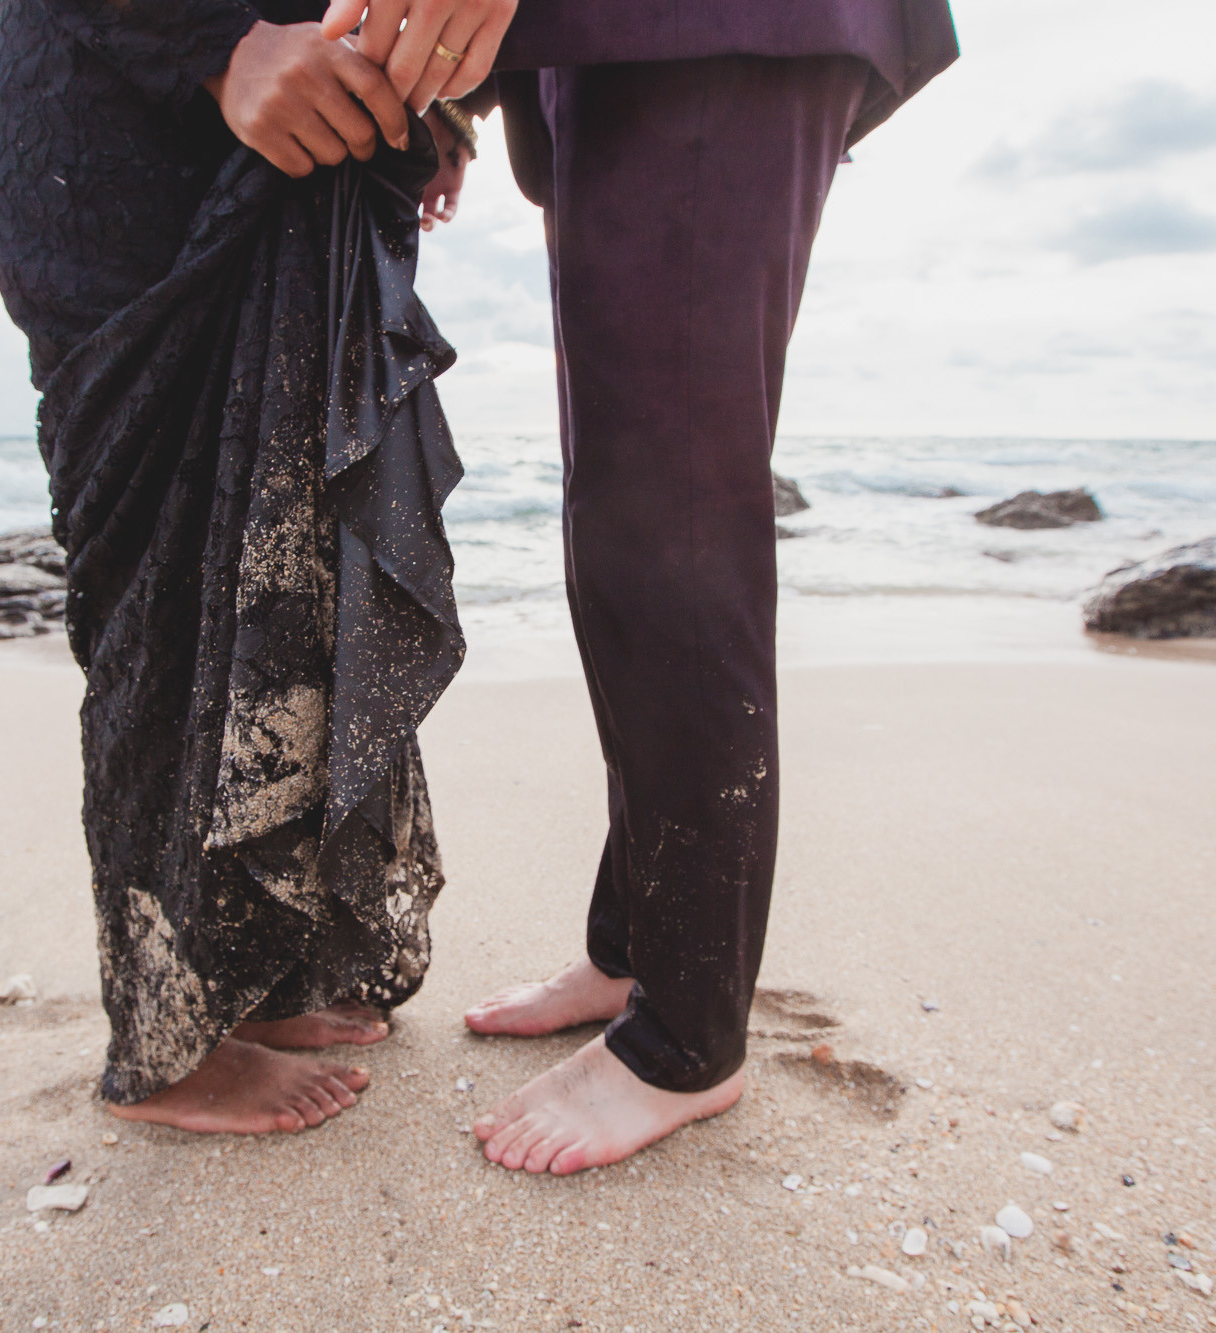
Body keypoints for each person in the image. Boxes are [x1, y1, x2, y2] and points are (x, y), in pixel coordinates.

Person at [322, 0, 960, 1173]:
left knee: (673, 522)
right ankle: (637, 950)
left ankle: (689, 1035)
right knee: (616, 519)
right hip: (592, 47)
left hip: (716, 27)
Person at [0, 0, 480, 1136]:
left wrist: (438, 108)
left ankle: (267, 969)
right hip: (125, 125)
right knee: (162, 575)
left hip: (299, 138)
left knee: (288, 563)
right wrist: (216, 44)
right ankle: (165, 1039)